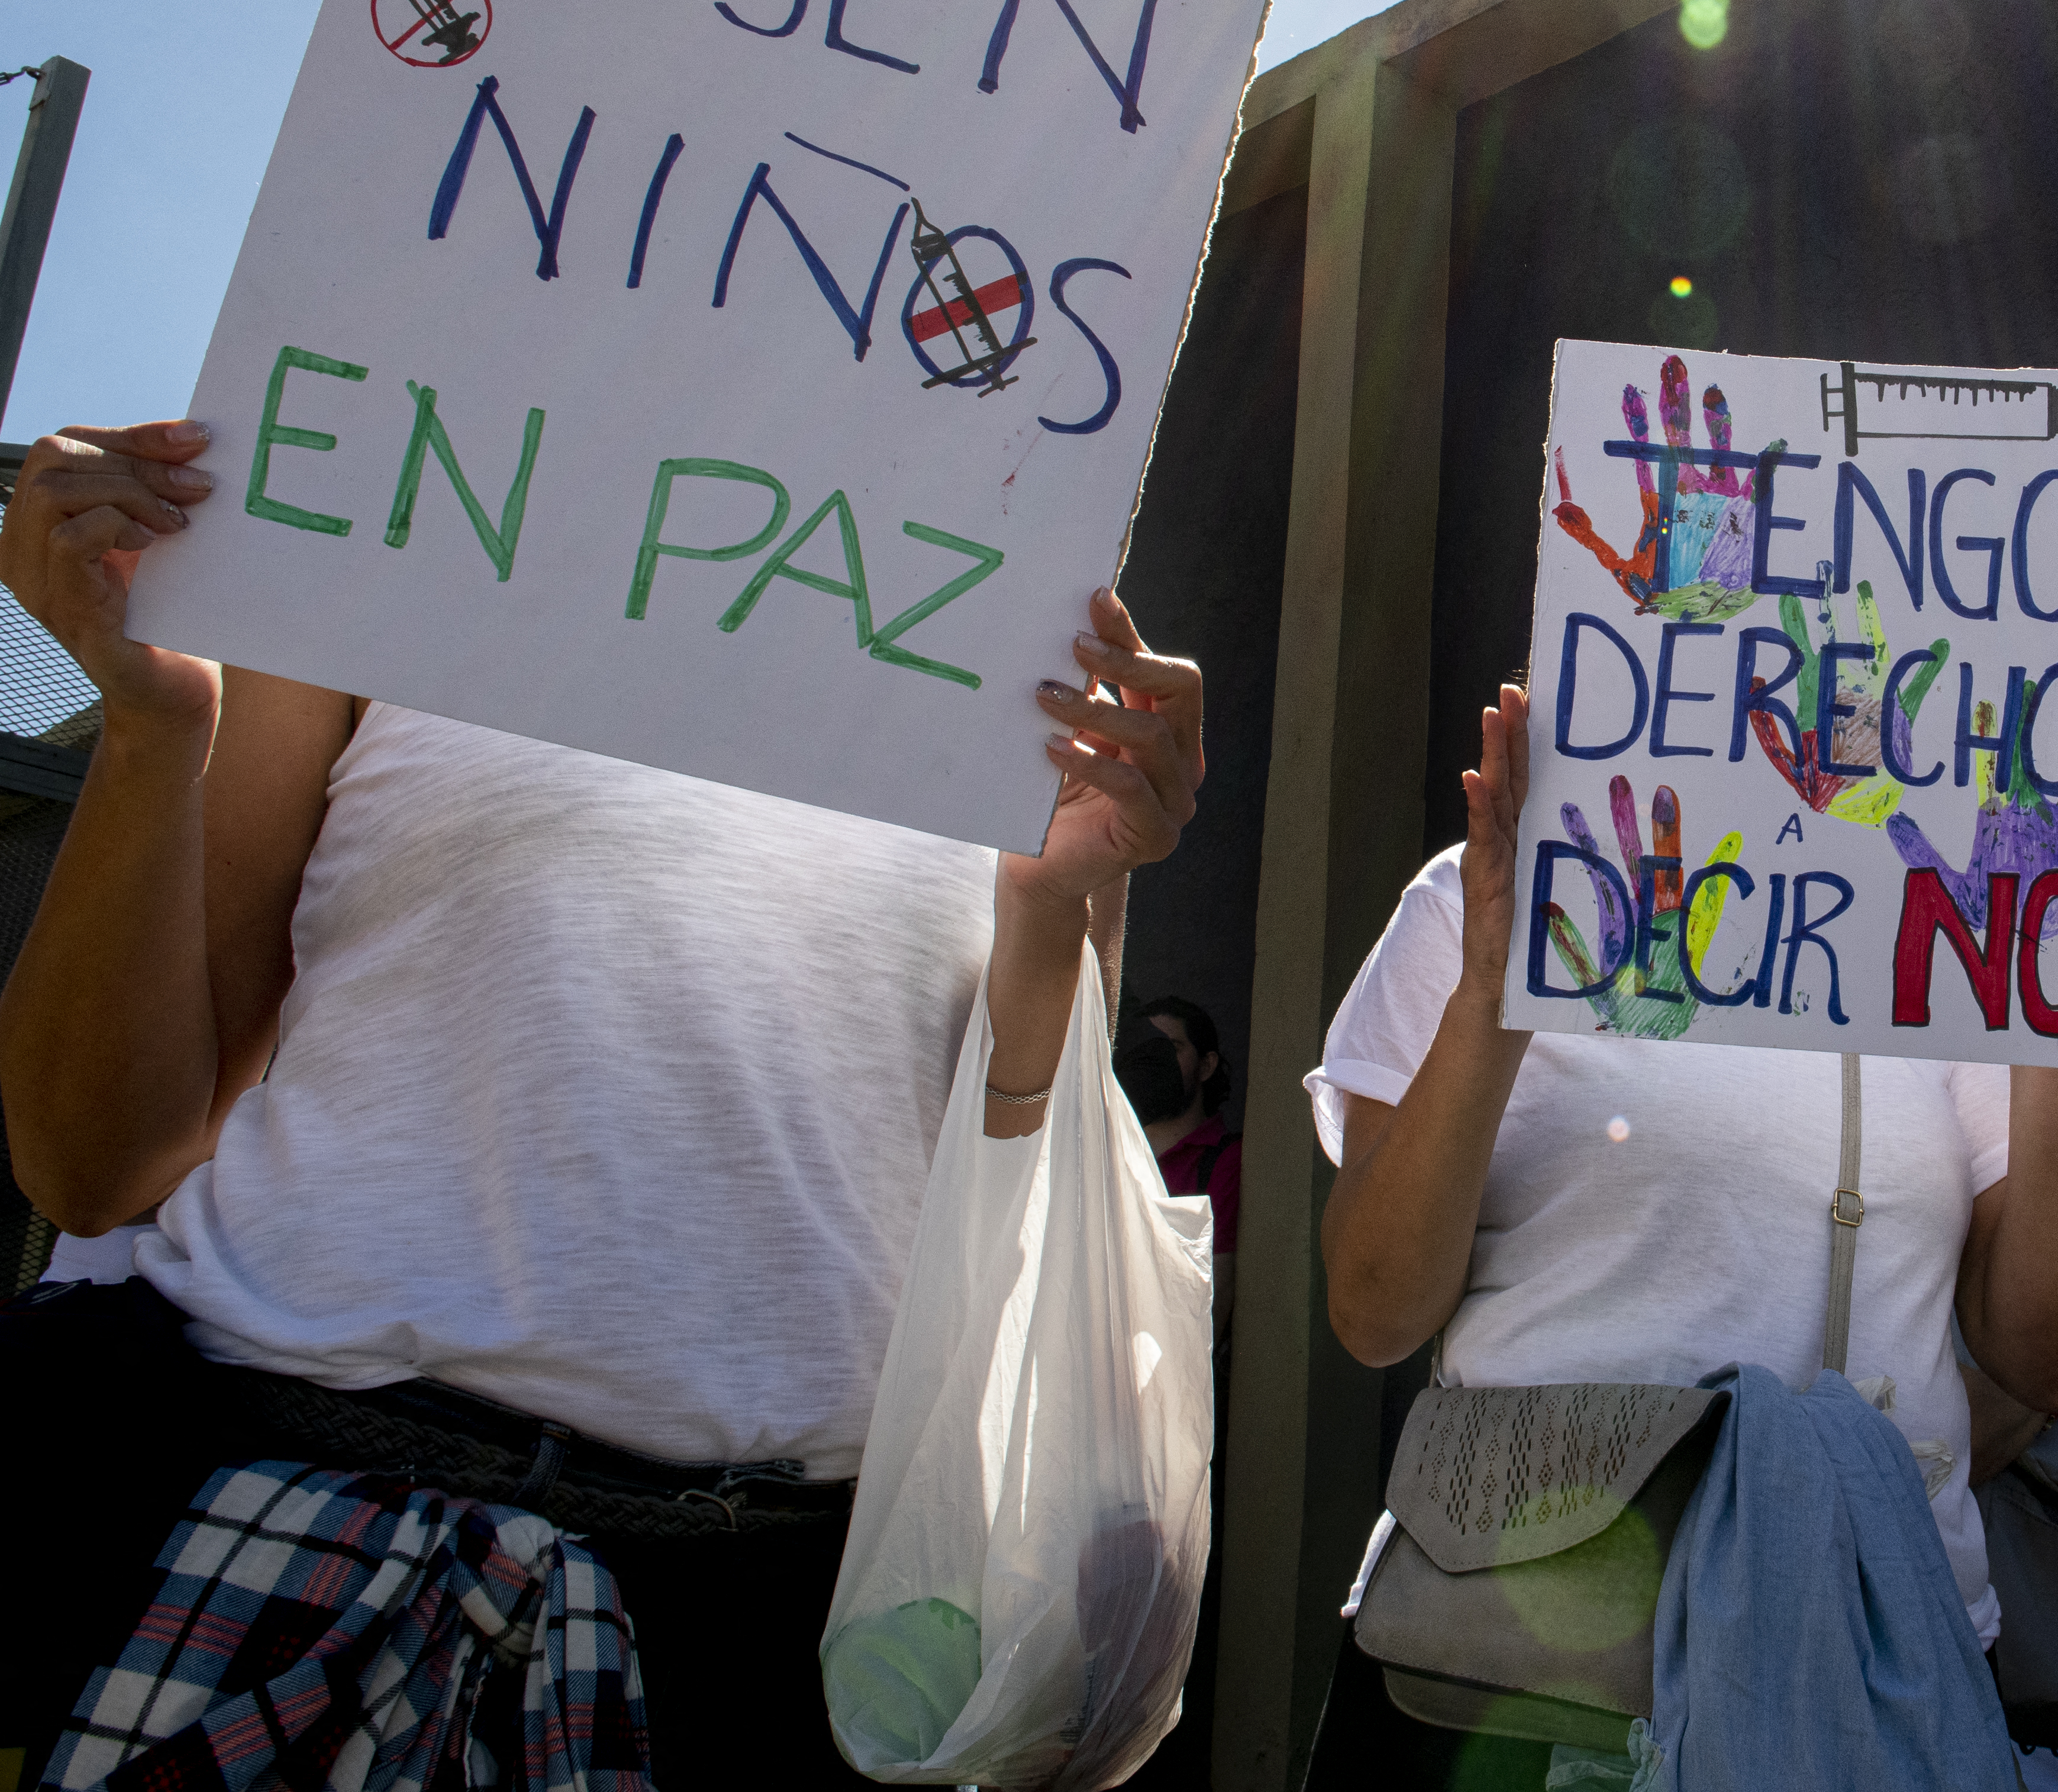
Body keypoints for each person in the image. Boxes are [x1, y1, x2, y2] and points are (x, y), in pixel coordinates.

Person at [0, 417, 1205, 1786]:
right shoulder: (385, 506)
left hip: (767, 1630)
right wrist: (155, 732)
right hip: (307, 1542)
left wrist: (1059, 910)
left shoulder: (1020, 627)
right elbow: (90, 1162)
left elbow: (1026, 1181)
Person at [1309, 683, 2058, 1711]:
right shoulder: (1481, 896)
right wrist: (1497, 983)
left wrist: (2051, 1020)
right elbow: (1373, 1311)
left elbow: (2047, 1353)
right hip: (1523, 1664)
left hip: (1870, 1670)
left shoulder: (1950, 931)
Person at [1122, 993, 1241, 1255]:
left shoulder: (1228, 1161)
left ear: (1207, 1065)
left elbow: (1218, 1285)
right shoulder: (1112, 1150)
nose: (1156, 1063)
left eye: (1171, 1049)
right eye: (1147, 1051)